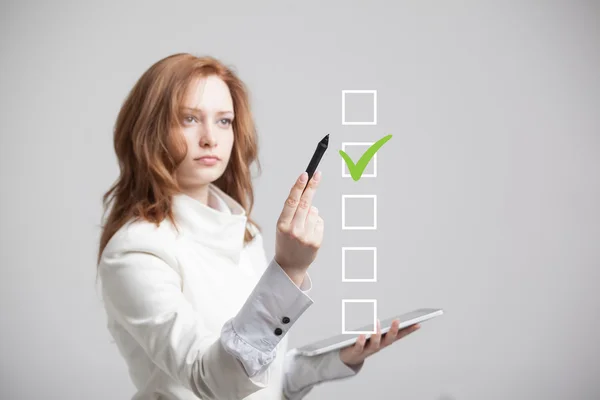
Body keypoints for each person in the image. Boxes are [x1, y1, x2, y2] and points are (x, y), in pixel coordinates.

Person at [96, 53, 421, 400]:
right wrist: (288, 269)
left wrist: (339, 357)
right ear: (149, 130)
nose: (210, 138)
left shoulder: (244, 234)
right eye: (189, 119)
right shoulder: (135, 252)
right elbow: (215, 381)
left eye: (224, 121)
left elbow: (262, 377)